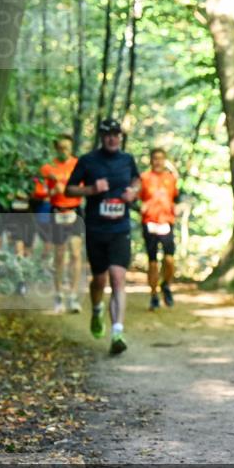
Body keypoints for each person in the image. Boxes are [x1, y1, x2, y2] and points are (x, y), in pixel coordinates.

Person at [65, 119, 141, 355]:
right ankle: (97, 308)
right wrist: (90, 190)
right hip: (96, 229)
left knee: (118, 277)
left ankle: (117, 331)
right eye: (108, 134)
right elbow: (69, 189)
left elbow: (137, 180)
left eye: (116, 134)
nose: (112, 138)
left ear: (120, 137)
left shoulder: (127, 160)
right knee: (99, 280)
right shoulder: (88, 161)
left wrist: (134, 193)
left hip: (120, 229)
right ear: (101, 136)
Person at [40, 134, 83, 314]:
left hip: (74, 211)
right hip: (57, 212)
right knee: (59, 255)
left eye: (67, 147)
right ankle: (58, 296)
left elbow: (84, 188)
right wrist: (53, 189)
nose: (64, 151)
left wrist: (69, 190)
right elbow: (42, 191)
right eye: (61, 148)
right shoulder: (49, 167)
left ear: (71, 148)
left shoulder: (78, 165)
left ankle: (73, 296)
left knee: (75, 254)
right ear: (56, 148)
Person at [139, 147, 179, 310]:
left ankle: (166, 285)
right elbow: (135, 198)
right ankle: (154, 295)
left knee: (169, 260)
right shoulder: (144, 178)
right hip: (149, 222)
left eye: (161, 158)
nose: (158, 161)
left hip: (166, 222)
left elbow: (177, 197)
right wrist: (139, 207)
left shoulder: (171, 178)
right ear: (151, 160)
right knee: (153, 262)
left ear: (165, 160)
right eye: (155, 158)